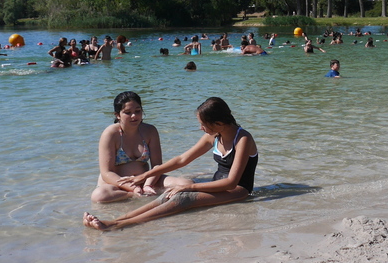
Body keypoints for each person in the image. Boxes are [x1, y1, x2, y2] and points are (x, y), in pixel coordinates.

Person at [83, 97, 258, 230]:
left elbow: (232, 182)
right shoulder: (214, 135)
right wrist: (147, 174)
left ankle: (116, 225)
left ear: (218, 123)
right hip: (217, 186)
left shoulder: (242, 139)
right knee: (169, 195)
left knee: (183, 198)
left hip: (237, 191)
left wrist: (190, 188)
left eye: (203, 124)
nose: (201, 128)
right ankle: (120, 219)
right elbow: (182, 160)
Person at [90, 91, 191, 203]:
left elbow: (157, 165)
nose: (134, 116)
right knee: (99, 196)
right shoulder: (111, 134)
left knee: (186, 184)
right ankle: (131, 195)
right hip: (118, 184)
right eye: (127, 113)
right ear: (117, 115)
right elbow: (107, 173)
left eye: (137, 111)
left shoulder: (150, 131)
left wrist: (148, 184)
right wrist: (133, 188)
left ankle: (145, 192)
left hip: (146, 180)